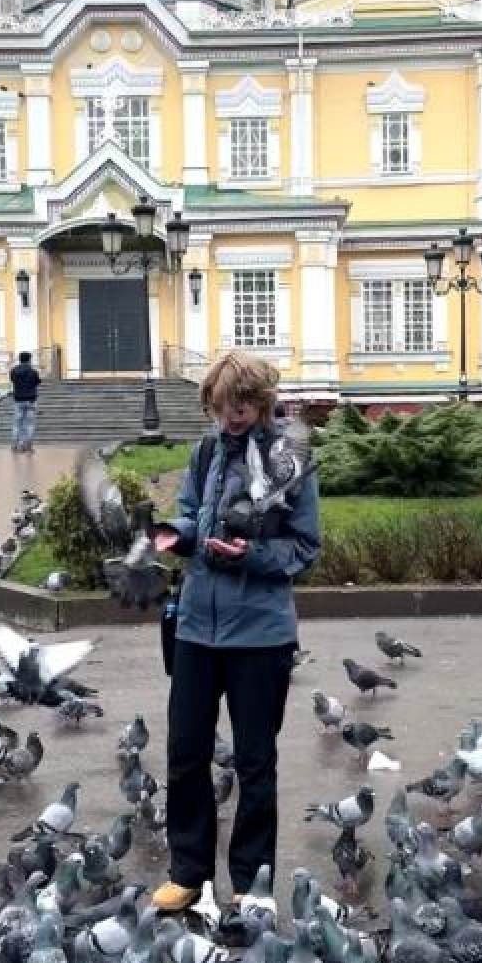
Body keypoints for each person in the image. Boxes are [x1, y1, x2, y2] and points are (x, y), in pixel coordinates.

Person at [149, 351, 321, 912]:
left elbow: (304, 547)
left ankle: (252, 883)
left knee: (254, 762)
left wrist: (250, 555)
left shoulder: (289, 460)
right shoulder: (206, 452)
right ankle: (188, 873)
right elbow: (191, 511)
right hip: (197, 628)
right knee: (185, 753)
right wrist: (173, 533)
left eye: (243, 404)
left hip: (260, 635)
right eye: (224, 405)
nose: (233, 414)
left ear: (263, 402)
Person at [9, 350, 41, 453]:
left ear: (20, 359)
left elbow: (12, 380)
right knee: (29, 424)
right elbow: (37, 382)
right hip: (31, 400)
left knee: (17, 423)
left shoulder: (13, 371)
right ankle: (28, 445)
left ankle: (15, 445)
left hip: (18, 399)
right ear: (29, 360)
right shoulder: (33, 371)